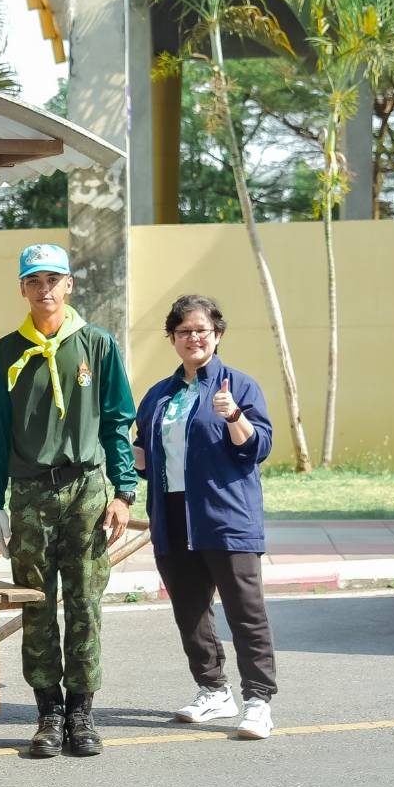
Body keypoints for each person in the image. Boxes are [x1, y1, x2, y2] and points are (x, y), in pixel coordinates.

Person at [0, 243, 137, 758]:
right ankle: (47, 711)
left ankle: (82, 712)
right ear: (22, 289)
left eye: (53, 279)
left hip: (88, 488)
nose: (44, 289)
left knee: (86, 600)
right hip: (29, 492)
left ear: (69, 284)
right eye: (34, 281)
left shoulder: (97, 345)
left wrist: (124, 490)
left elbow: (117, 422)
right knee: (37, 602)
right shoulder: (2, 353)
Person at [133, 294, 277, 739]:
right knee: (190, 610)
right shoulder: (159, 394)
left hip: (224, 512)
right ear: (172, 339)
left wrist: (233, 414)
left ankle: (258, 700)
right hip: (172, 513)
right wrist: (117, 444)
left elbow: (258, 448)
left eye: (202, 330)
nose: (193, 337)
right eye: (183, 331)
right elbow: (143, 460)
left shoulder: (238, 385)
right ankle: (213, 690)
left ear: (216, 335)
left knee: (244, 611)